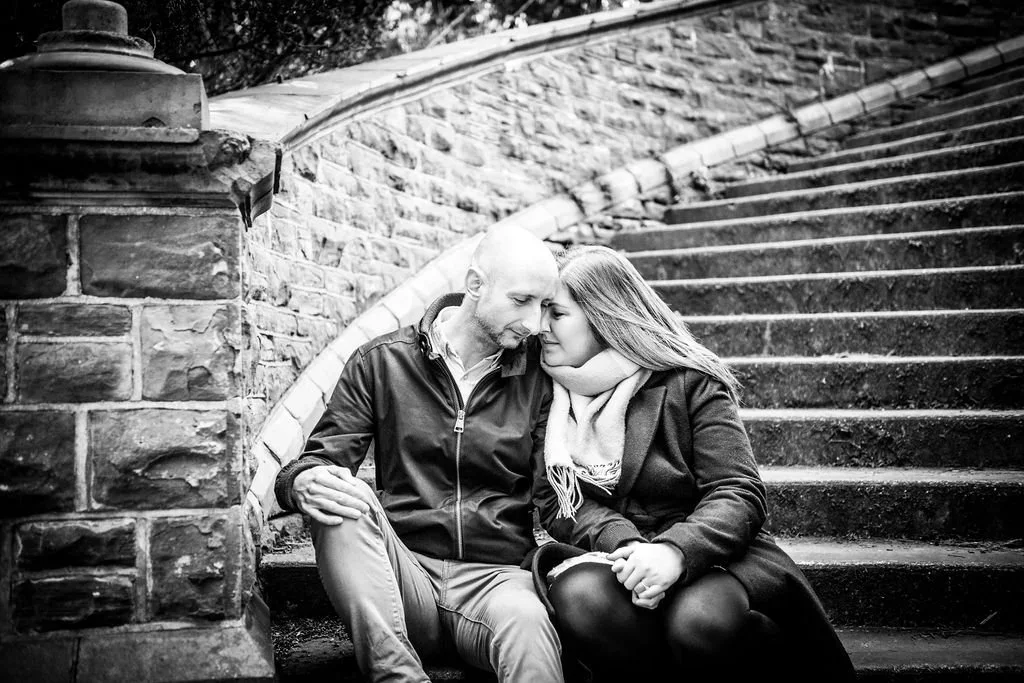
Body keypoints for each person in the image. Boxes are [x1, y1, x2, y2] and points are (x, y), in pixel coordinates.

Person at [531, 245, 856, 682]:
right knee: (579, 597)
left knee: (698, 620)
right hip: (619, 555)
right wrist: (628, 546)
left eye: (557, 314)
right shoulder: (544, 395)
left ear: (603, 317)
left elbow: (737, 491)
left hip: (713, 550)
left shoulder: (689, 382)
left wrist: (673, 553)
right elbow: (559, 504)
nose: (540, 327)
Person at [274, 225, 566, 683]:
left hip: (498, 582)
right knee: (339, 495)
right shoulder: (382, 362)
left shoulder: (541, 378)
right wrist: (300, 481)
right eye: (521, 300)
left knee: (529, 626)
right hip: (401, 577)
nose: (534, 323)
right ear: (474, 285)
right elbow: (322, 459)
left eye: (545, 306)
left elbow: (556, 498)